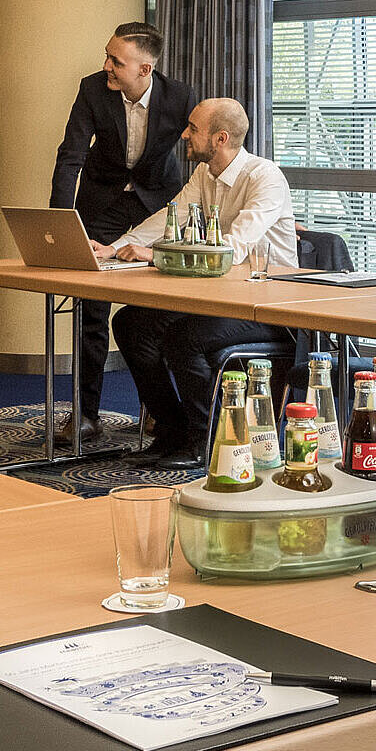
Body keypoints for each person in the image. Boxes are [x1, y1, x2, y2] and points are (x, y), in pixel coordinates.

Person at [104, 98, 298, 471]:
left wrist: (158, 255)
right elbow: (170, 217)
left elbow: (234, 247)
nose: (184, 134)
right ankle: (172, 430)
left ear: (220, 138)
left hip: (268, 306)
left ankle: (204, 438)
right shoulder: (205, 175)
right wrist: (113, 248)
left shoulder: (265, 177)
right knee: (130, 324)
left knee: (185, 337)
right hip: (217, 298)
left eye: (193, 128)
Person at [47, 22, 196, 445]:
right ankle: (85, 415)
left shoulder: (180, 96)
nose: (107, 65)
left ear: (145, 70)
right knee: (90, 307)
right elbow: (71, 154)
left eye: (117, 60)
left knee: (162, 305)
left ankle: (159, 412)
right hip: (103, 202)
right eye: (108, 56)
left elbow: (214, 148)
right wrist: (62, 219)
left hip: (159, 202)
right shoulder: (93, 89)